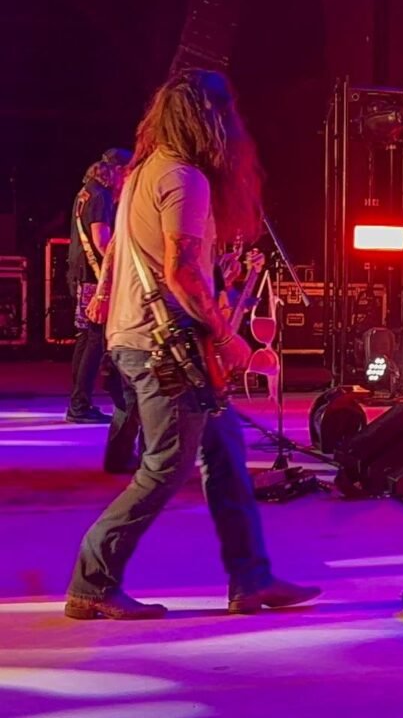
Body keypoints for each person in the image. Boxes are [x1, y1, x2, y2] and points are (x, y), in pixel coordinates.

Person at [66, 69, 319, 620]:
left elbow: (116, 256)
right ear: (212, 121)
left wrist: (106, 300)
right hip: (169, 346)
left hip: (142, 337)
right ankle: (92, 578)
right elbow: (182, 270)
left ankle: (250, 581)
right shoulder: (185, 178)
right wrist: (228, 337)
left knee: (224, 453)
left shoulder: (142, 172)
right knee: (166, 466)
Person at [66, 149, 131, 425]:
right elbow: (101, 241)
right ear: (117, 171)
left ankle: (78, 402)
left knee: (84, 339)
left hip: (78, 273)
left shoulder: (86, 191)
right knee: (93, 339)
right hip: (94, 277)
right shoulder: (101, 196)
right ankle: (80, 405)